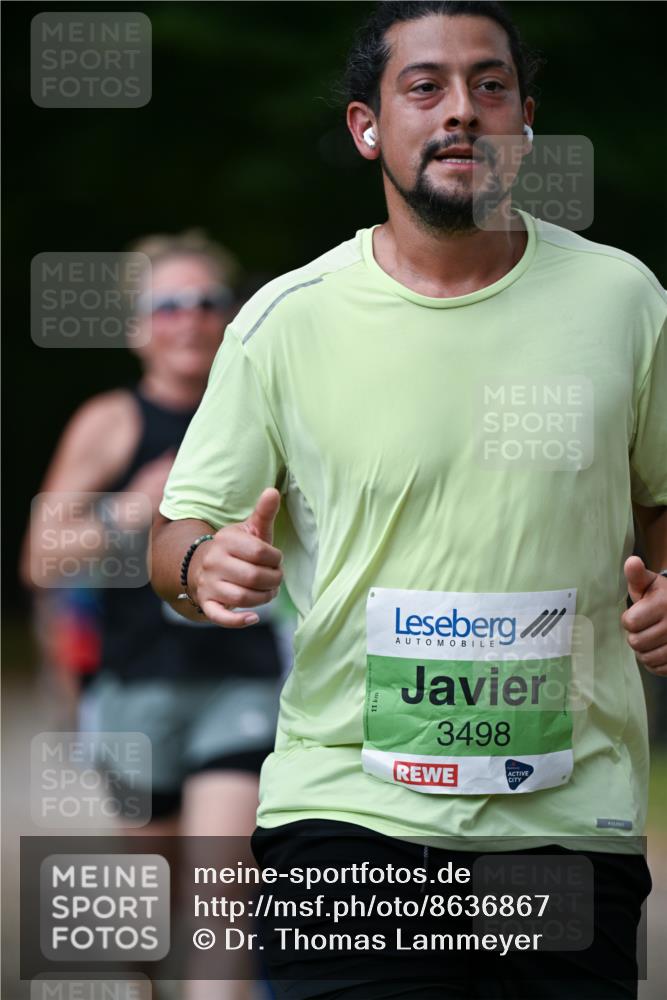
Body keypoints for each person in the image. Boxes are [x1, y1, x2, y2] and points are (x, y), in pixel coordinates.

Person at [151, 3, 666, 998]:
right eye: (423, 86)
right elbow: (179, 534)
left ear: (524, 120)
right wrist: (199, 565)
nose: (461, 112)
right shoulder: (284, 322)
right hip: (345, 812)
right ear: (367, 128)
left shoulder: (624, 301)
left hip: (563, 825)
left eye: (490, 86)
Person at [25, 230, 285, 999]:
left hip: (243, 682)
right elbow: (39, 560)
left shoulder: (258, 415)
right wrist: (131, 510)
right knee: (144, 915)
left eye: (207, 302)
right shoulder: (110, 421)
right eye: (167, 304)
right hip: (137, 693)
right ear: (139, 328)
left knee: (219, 904)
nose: (189, 319)